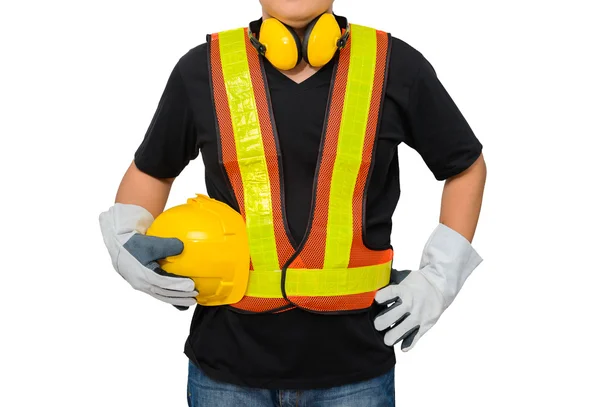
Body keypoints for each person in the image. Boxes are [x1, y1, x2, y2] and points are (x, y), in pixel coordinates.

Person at [99, 0, 486, 405]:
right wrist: (125, 241)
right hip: (225, 371)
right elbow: (153, 170)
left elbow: (465, 166)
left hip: (355, 372)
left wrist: (440, 279)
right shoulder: (203, 69)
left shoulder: (394, 66)